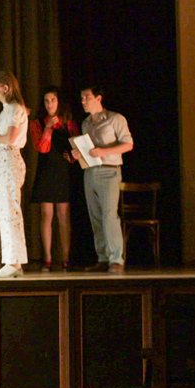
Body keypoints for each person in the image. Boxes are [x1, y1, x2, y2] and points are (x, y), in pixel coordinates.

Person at [70, 84, 133, 274]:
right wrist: (78, 154)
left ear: (98, 99)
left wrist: (104, 151)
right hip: (90, 172)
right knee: (95, 216)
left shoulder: (115, 119)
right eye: (82, 98)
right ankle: (103, 258)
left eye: (87, 97)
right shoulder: (86, 123)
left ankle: (116, 259)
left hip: (109, 171)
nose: (83, 101)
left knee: (109, 215)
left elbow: (128, 144)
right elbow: (88, 149)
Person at [0, 71, 30, 278]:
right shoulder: (7, 110)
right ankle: (13, 262)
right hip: (3, 161)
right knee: (5, 211)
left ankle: (14, 262)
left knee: (10, 211)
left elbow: (10, 138)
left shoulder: (15, 108)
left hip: (10, 160)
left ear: (5, 88)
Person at [28, 86, 80, 271]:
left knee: (64, 216)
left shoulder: (69, 123)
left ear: (59, 102)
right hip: (46, 172)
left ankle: (65, 258)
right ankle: (47, 258)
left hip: (63, 172)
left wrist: (73, 158)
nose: (49, 104)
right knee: (46, 215)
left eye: (53, 100)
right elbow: (42, 148)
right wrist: (48, 128)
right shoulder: (37, 123)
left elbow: (79, 146)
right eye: (46, 101)